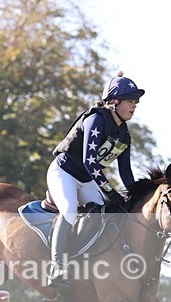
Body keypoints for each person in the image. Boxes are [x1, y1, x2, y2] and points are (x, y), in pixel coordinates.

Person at [46, 70, 145, 289]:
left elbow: (126, 172)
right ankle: (57, 266)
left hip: (86, 180)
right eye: (130, 101)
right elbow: (90, 162)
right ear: (115, 102)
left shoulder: (124, 134)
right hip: (64, 172)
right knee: (70, 208)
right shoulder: (96, 120)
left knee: (105, 214)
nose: (134, 106)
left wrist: (136, 197)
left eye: (136, 102)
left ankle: (86, 261)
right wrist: (111, 192)